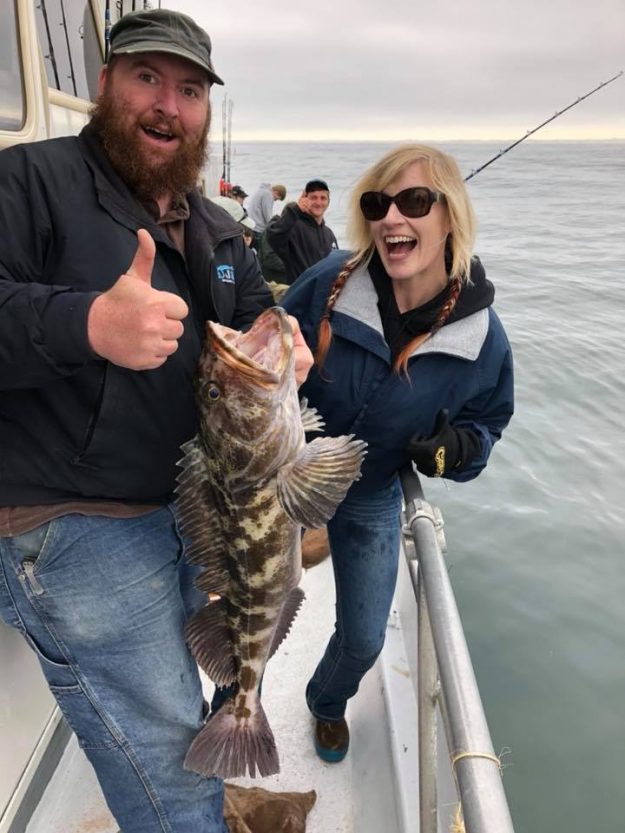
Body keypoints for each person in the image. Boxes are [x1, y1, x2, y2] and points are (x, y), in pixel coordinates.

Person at [0, 9, 312, 833]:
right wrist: (86, 324)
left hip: (184, 508)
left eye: (189, 90)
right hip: (70, 519)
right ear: (104, 83)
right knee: (168, 746)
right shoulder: (25, 182)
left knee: (196, 677)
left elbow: (256, 315)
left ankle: (213, 785)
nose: (167, 105)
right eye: (147, 78)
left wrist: (284, 338)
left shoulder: (217, 228)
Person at [281, 144, 514, 764]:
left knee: (363, 639)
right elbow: (266, 339)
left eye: (413, 201)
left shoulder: (481, 337)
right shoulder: (330, 281)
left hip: (369, 491)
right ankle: (228, 701)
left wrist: (452, 453)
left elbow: (487, 425)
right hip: (283, 478)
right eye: (377, 203)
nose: (391, 218)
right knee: (249, 606)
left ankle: (326, 701)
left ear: (450, 216)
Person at [266, 178, 339, 285]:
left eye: (323, 198)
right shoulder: (293, 228)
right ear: (304, 199)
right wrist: (295, 210)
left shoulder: (329, 234)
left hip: (325, 292)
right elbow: (273, 237)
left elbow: (336, 267)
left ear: (328, 202)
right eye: (313, 197)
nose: (318, 202)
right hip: (300, 292)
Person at [245, 182, 286, 248]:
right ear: (276, 192)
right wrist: (275, 228)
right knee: (259, 251)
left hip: (251, 226)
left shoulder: (260, 191)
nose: (275, 201)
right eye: (276, 199)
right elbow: (268, 216)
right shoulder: (268, 195)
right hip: (258, 229)